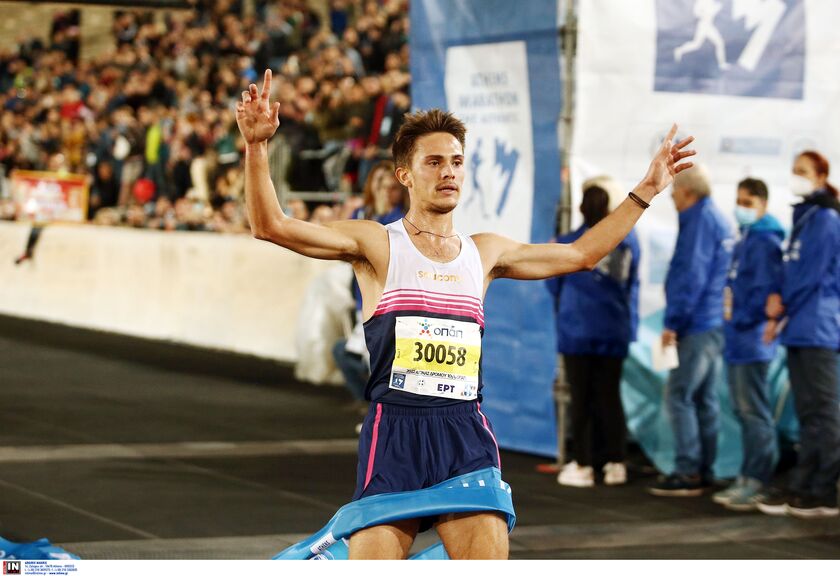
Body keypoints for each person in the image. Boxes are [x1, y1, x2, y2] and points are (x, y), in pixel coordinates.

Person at [237, 69, 695, 559]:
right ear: (405, 174)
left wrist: (646, 190)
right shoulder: (377, 243)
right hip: (395, 433)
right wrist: (257, 147)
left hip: (464, 432)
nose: (448, 172)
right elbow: (271, 226)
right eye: (434, 162)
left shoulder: (485, 253)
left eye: (456, 161)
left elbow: (581, 254)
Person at [756, 151, 840, 519]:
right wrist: (779, 300)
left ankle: (825, 489)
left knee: (824, 411)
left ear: (821, 176)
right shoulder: (804, 217)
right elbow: (792, 270)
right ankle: (804, 483)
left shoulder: (826, 218)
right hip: (799, 329)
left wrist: (781, 308)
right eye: (793, 171)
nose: (796, 176)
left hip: (819, 327)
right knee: (807, 412)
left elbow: (811, 275)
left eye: (803, 171)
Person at [649, 165, 733, 497]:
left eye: (673, 193)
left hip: (695, 324)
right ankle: (705, 469)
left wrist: (673, 322)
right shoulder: (717, 219)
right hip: (712, 323)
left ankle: (688, 471)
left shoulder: (698, 221)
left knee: (679, 396)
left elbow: (691, 276)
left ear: (687, 192)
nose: (672, 199)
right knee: (705, 399)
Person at [550, 176, 640, 487]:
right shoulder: (626, 241)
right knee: (609, 397)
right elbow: (632, 285)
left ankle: (584, 464)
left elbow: (553, 285)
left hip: (576, 332)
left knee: (581, 399)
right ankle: (616, 463)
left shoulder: (566, 244)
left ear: (580, 207)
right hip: (613, 331)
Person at [712, 178, 784, 511]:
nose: (741, 207)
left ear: (763, 205)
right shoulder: (746, 238)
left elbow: (766, 293)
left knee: (754, 412)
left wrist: (743, 319)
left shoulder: (766, 241)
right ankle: (747, 475)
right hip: (738, 337)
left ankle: (758, 480)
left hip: (753, 338)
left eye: (748, 202)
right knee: (744, 411)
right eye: (738, 200)